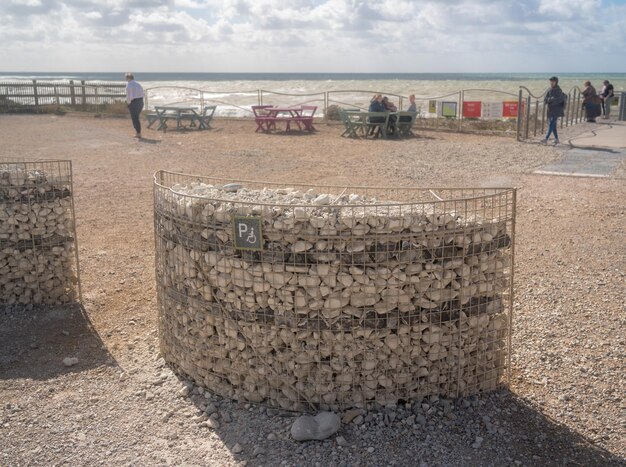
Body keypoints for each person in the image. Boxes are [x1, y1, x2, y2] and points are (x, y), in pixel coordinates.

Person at [542, 76, 565, 145]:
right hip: (550, 109)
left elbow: (559, 100)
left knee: (551, 123)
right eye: (551, 81)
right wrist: (550, 99)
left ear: (556, 82)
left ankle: (546, 139)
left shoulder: (559, 90)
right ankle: (557, 139)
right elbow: (545, 100)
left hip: (557, 110)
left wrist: (550, 100)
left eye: (553, 81)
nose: (551, 83)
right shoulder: (549, 89)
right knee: (553, 125)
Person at [125, 73, 144, 138]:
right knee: (136, 118)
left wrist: (128, 103)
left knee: (135, 118)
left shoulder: (129, 84)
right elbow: (142, 93)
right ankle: (138, 132)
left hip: (134, 102)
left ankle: (138, 133)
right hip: (140, 101)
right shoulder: (138, 84)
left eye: (126, 78)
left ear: (128, 78)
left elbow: (129, 96)